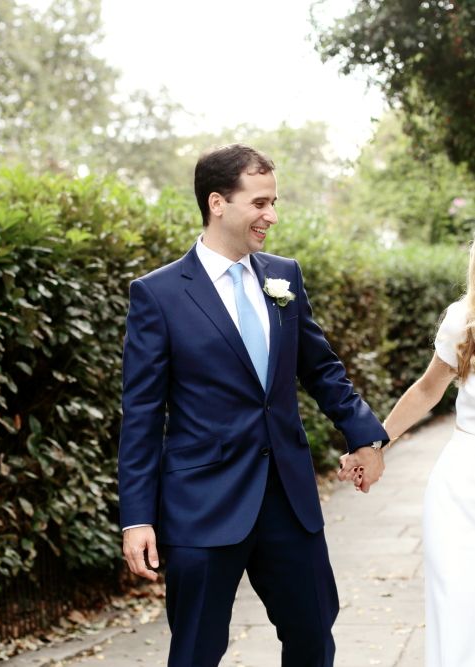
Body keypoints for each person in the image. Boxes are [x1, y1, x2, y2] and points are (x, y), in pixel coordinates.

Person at [117, 143, 389, 667]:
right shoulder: (158, 294)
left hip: (288, 500)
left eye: (274, 201)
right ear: (217, 203)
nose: (272, 215)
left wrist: (366, 436)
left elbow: (321, 369)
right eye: (260, 203)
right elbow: (143, 415)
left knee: (313, 638)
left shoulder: (283, 275)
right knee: (196, 652)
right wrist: (137, 518)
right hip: (203, 506)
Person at [340, 240, 475, 667]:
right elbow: (427, 390)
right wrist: (374, 446)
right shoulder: (463, 319)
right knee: (454, 610)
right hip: (460, 486)